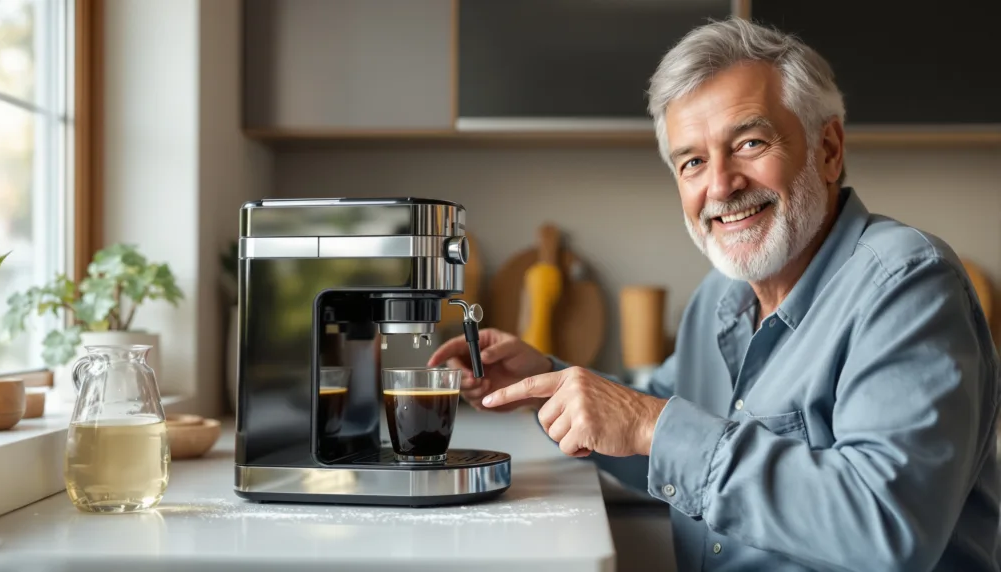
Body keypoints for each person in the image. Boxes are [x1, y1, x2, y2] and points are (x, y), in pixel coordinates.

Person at [429, 16, 1001, 572]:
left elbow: (889, 527)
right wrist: (544, 384)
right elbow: (647, 427)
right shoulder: (721, 299)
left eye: (750, 143)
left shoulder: (907, 286)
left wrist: (651, 423)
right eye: (693, 162)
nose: (721, 185)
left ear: (828, 149)